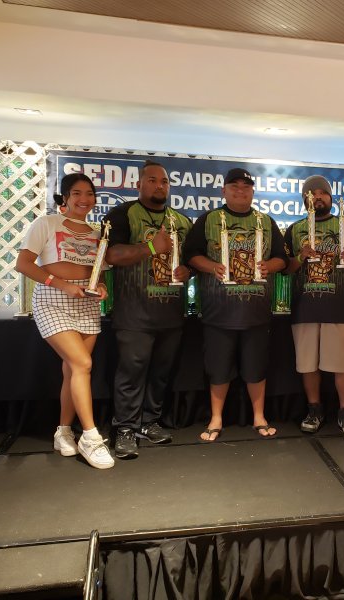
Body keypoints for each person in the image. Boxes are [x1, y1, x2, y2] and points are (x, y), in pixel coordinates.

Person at [15, 173, 114, 469]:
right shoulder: (46, 224)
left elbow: (99, 271)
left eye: (89, 194)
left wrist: (101, 286)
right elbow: (23, 264)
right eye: (77, 193)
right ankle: (91, 437)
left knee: (73, 369)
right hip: (52, 299)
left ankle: (63, 432)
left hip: (86, 302)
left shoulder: (97, 232)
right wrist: (62, 285)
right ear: (65, 198)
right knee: (82, 363)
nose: (84, 199)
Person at [184, 167, 288, 442]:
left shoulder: (266, 221)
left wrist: (269, 266)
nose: (240, 191)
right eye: (234, 186)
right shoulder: (208, 220)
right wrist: (212, 266)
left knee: (256, 367)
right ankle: (216, 418)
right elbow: (190, 255)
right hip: (218, 311)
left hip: (256, 311)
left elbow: (282, 258)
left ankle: (259, 417)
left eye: (246, 187)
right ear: (224, 191)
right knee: (218, 369)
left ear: (253, 191)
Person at [103, 160, 193, 459]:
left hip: (171, 313)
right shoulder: (122, 214)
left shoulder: (181, 220)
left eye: (164, 181)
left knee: (160, 374)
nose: (159, 186)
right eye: (152, 180)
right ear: (138, 184)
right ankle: (125, 428)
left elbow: (191, 259)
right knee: (131, 373)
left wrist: (187, 271)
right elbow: (112, 255)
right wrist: (151, 247)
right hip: (134, 314)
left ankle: (149, 421)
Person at [283, 175, 344, 441]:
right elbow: (285, 268)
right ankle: (314, 411)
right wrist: (301, 256)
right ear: (304, 199)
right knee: (308, 364)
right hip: (304, 307)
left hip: (338, 305)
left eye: (323, 193)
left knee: (343, 364)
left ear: (330, 197)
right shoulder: (294, 230)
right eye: (312, 194)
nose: (318, 197)